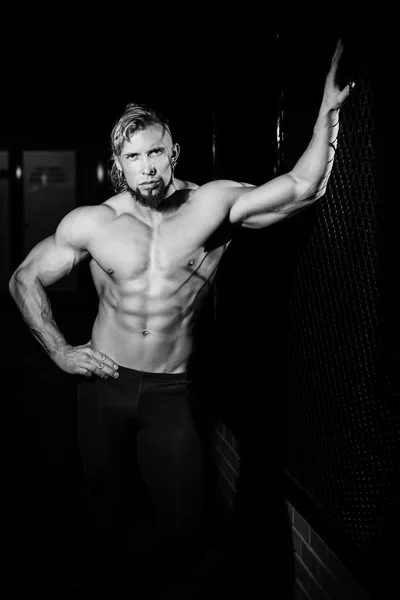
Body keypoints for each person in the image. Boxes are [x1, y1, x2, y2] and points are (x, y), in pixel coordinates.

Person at [9, 40, 353, 593]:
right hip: (104, 385)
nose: (146, 167)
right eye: (133, 157)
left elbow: (300, 187)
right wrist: (60, 351)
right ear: (117, 164)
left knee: (188, 530)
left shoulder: (211, 205)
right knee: (103, 520)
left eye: (155, 153)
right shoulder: (94, 222)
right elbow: (24, 278)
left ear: (173, 152)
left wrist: (326, 112)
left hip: (171, 390)